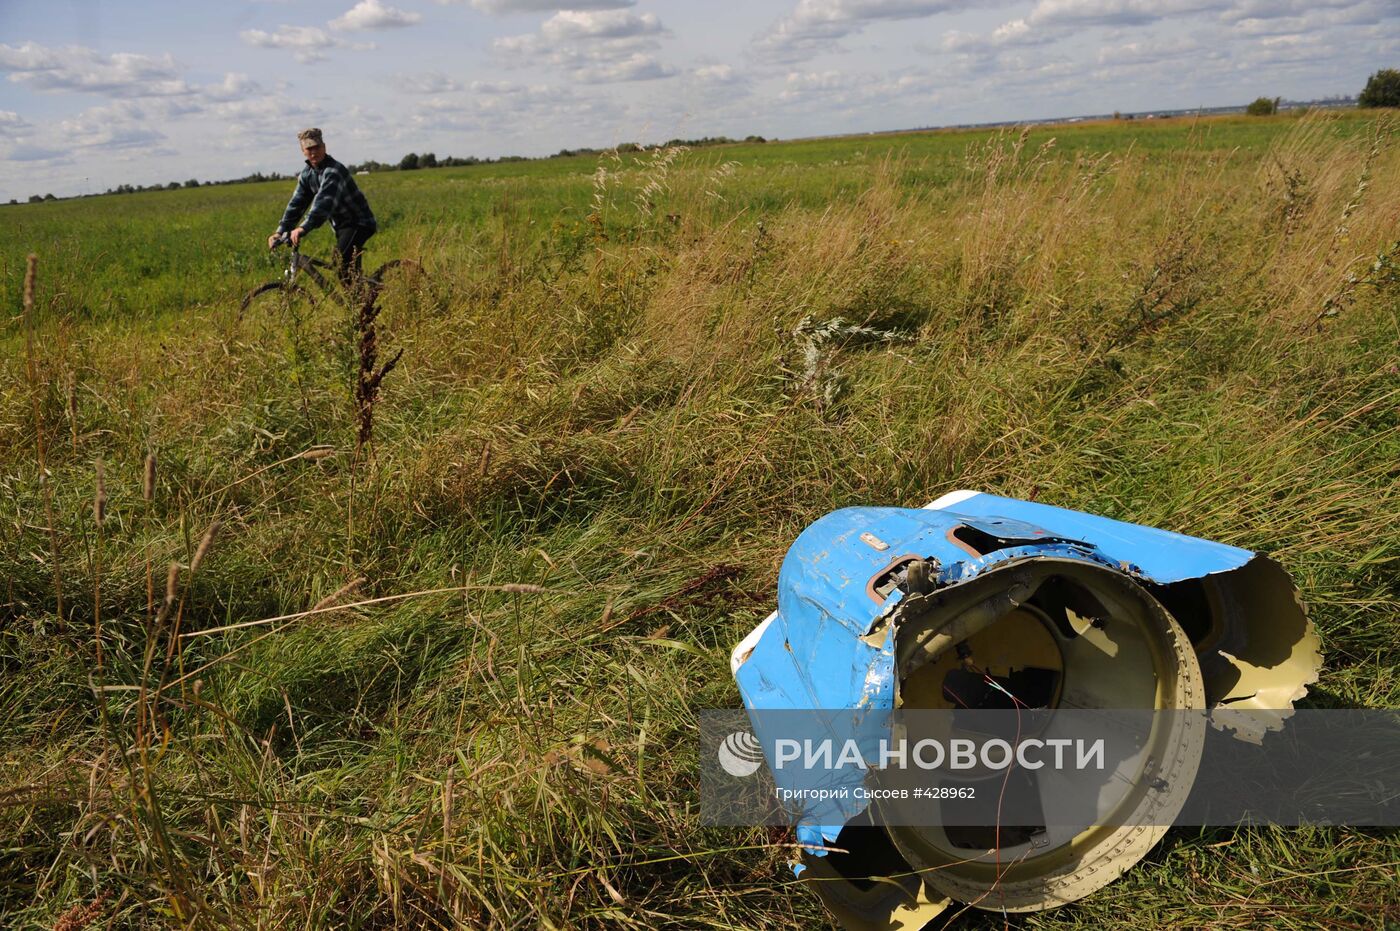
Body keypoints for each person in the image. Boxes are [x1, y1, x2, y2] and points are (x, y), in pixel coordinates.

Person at [268, 128, 377, 286]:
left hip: (359, 222)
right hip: (341, 226)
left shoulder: (333, 171)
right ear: (303, 151)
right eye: (309, 149)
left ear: (324, 147)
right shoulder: (307, 175)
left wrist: (302, 228)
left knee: (340, 263)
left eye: (317, 147)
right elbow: (296, 204)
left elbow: (323, 203)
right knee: (347, 269)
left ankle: (360, 307)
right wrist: (280, 232)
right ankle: (361, 301)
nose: (313, 152)